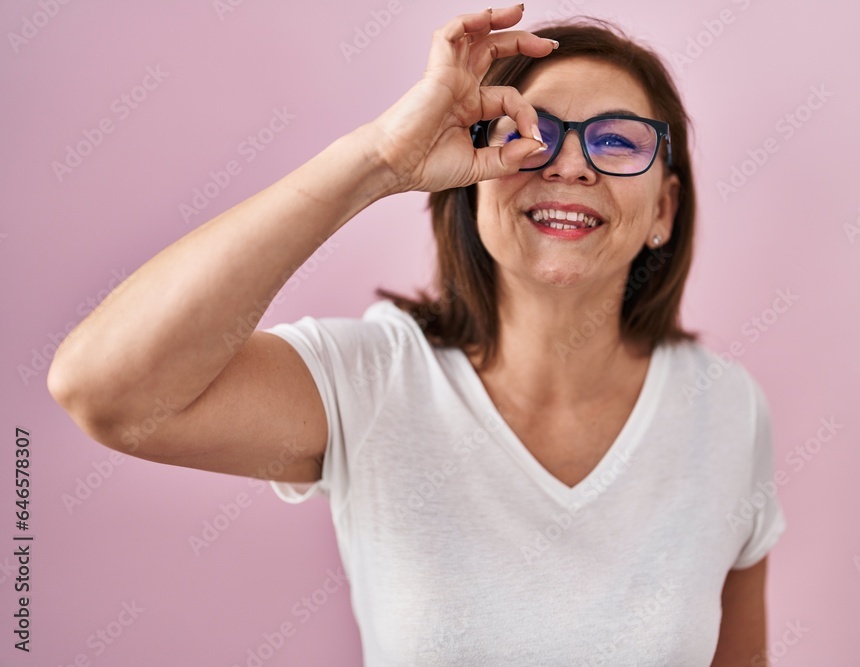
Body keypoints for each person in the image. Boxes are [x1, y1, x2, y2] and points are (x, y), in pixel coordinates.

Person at [48, 5, 786, 665]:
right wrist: (382, 160)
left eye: (619, 142)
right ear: (471, 175)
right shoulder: (372, 382)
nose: (568, 164)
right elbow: (103, 390)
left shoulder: (726, 410)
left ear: (664, 208)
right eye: (531, 134)